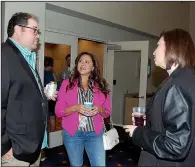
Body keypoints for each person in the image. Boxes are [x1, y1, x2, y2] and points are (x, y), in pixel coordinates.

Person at [124, 29, 195, 167]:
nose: (154, 52)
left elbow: (176, 145)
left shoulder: (176, 85)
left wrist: (138, 133)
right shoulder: (188, 78)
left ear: (172, 47)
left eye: (158, 45)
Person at [1, 12, 57, 166]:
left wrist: (42, 96)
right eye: (35, 30)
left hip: (31, 146)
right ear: (18, 29)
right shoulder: (3, 55)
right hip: (15, 151)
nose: (38, 35)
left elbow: (18, 95)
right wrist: (4, 147)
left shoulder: (27, 57)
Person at [55, 52, 111, 166]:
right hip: (73, 134)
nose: (83, 64)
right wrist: (75, 108)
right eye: (80, 61)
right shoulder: (67, 84)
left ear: (93, 67)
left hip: (95, 134)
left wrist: (99, 109)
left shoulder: (101, 85)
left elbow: (107, 111)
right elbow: (58, 111)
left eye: (87, 62)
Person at [44, 56, 56, 132]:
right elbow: (54, 84)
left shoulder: (39, 71)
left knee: (46, 117)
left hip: (44, 97)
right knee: (52, 117)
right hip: (51, 97)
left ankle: (47, 134)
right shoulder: (51, 73)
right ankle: (52, 134)